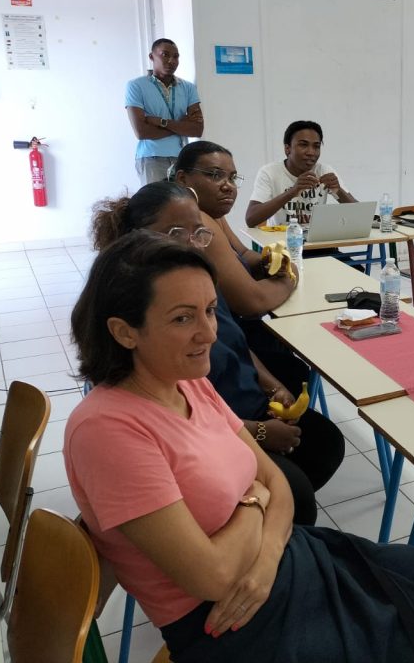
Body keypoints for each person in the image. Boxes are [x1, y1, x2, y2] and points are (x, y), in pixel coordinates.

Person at [65, 231, 414, 663]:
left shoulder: (187, 382)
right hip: (237, 625)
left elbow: (278, 484)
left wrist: (263, 550)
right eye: (182, 319)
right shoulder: (108, 431)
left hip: (287, 562)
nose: (208, 333)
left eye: (211, 311)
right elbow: (214, 577)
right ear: (124, 331)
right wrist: (255, 503)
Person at [90, 182, 344, 525]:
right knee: (295, 495)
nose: (192, 244)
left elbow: (234, 341)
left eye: (199, 233)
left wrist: (271, 386)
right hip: (211, 428)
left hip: (238, 409)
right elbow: (183, 416)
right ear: (137, 235)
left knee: (324, 445)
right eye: (176, 233)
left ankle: (263, 518)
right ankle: (251, 518)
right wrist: (260, 433)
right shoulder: (143, 310)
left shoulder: (196, 279)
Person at [172, 141, 313, 387]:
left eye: (232, 177)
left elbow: (245, 254)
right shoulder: (198, 222)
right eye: (215, 175)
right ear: (183, 179)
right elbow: (252, 302)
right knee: (294, 368)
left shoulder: (213, 213)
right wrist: (290, 275)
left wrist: (271, 261)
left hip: (230, 330)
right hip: (220, 342)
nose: (228, 186)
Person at [244, 120, 356, 227]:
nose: (311, 152)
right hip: (281, 238)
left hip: (316, 238)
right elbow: (250, 219)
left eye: (316, 146)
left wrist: (338, 190)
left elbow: (360, 213)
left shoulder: (324, 171)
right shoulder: (270, 172)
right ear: (287, 149)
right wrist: (292, 191)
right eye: (303, 145)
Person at [125, 38, 204, 184]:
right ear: (152, 57)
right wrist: (181, 125)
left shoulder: (188, 88)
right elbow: (141, 132)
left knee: (181, 198)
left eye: (176, 56)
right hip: (151, 158)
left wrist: (161, 122)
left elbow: (197, 129)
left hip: (181, 158)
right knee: (156, 199)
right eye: (165, 55)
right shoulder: (136, 86)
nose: (171, 61)